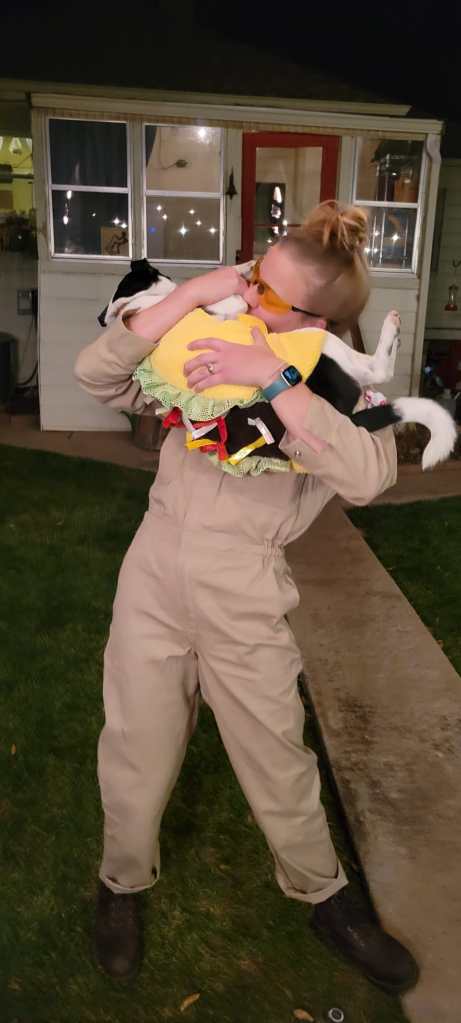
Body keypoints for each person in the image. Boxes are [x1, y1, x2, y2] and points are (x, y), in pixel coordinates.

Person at [74, 201, 418, 993]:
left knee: (275, 751)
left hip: (245, 584)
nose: (251, 297)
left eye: (269, 294)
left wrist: (271, 378)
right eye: (254, 277)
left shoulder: (334, 377)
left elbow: (370, 475)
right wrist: (191, 297)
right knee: (135, 739)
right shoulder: (209, 327)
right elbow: (98, 376)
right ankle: (121, 881)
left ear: (316, 319)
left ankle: (323, 896)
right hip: (155, 569)